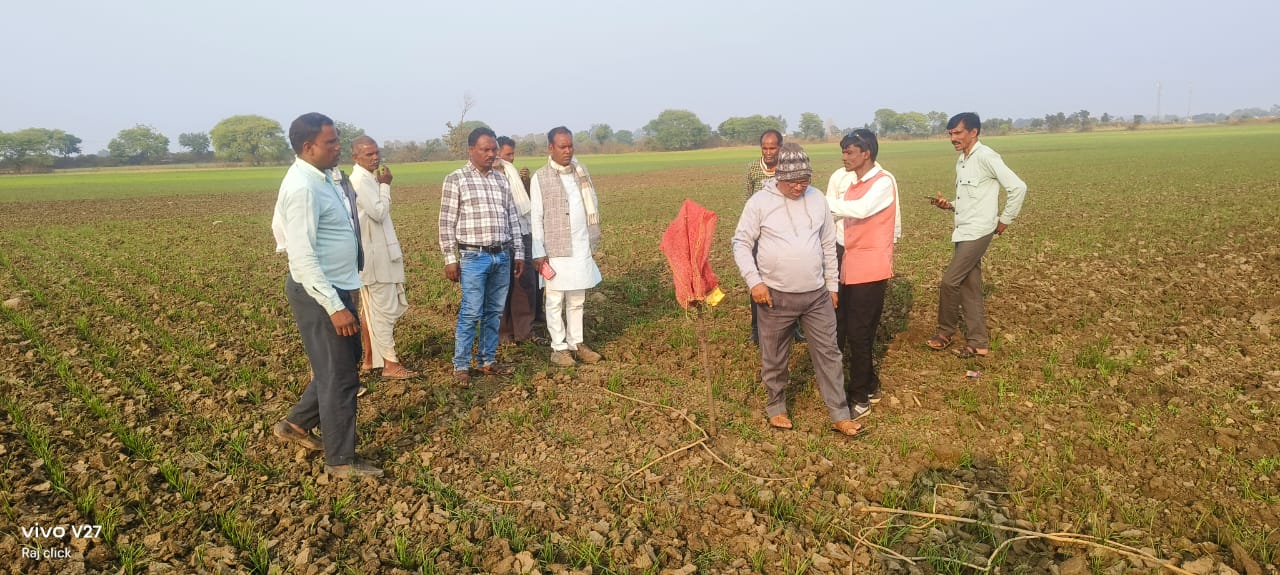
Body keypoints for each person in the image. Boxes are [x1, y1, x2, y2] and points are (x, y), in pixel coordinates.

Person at [270, 112, 382, 478]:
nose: (338, 148)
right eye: (331, 143)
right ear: (308, 147)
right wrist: (335, 306)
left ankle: (296, 425)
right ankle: (341, 460)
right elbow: (301, 257)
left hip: (339, 286)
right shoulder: (302, 188)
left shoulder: (323, 178)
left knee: (336, 370)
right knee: (341, 379)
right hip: (321, 293)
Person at [732, 142, 863, 437]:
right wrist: (754, 281)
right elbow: (741, 243)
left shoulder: (818, 199)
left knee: (829, 353)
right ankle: (776, 407)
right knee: (775, 355)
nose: (799, 187)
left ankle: (839, 413)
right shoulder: (759, 203)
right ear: (779, 176)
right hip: (775, 296)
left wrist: (832, 286)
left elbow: (829, 244)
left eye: (805, 180)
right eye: (793, 181)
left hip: (816, 295)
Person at [926, 113, 1027, 358]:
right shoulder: (962, 161)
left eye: (958, 133)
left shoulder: (986, 157)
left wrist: (1005, 220)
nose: (953, 138)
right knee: (970, 288)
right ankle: (978, 342)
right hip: (963, 229)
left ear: (974, 132)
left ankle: (945, 332)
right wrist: (948, 204)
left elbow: (1018, 187)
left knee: (949, 281)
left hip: (979, 231)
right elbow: (970, 198)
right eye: (950, 133)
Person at [438, 127, 526, 386]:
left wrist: (518, 252)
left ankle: (487, 360)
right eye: (485, 149)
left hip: (501, 255)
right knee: (471, 312)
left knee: (494, 311)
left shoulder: (501, 180)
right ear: (471, 150)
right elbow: (446, 222)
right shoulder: (456, 179)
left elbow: (512, 219)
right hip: (473, 257)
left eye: (494, 149)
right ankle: (461, 365)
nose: (491, 154)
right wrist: (449, 258)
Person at [826, 129, 899, 418]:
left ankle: (859, 399)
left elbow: (860, 209)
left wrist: (819, 202)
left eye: (849, 152)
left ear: (866, 153)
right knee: (845, 325)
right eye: (843, 151)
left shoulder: (882, 183)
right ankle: (867, 384)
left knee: (859, 332)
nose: (844, 157)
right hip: (850, 264)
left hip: (870, 268)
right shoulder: (854, 183)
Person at [530, 127, 603, 367]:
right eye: (562, 147)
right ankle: (559, 347)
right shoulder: (540, 177)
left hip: (581, 245)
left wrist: (592, 239)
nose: (568, 151)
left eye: (570, 146)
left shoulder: (581, 172)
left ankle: (576, 342)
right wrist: (538, 252)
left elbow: (591, 204)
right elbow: (537, 217)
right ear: (551, 148)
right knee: (554, 299)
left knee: (577, 299)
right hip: (555, 249)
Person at [349, 135, 417, 380]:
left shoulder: (367, 178)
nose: (375, 157)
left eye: (376, 153)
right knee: (384, 312)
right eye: (369, 154)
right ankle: (390, 364)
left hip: (373, 256)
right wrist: (386, 185)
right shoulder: (361, 180)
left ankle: (369, 360)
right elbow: (379, 212)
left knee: (371, 311)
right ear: (355, 157)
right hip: (375, 258)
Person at [495, 136, 544, 345]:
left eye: (513, 154)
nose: (511, 159)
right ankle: (504, 332)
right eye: (508, 154)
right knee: (502, 286)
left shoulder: (513, 175)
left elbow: (525, 206)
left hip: (522, 234)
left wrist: (526, 183)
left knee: (525, 283)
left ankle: (525, 329)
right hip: (500, 237)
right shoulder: (491, 176)